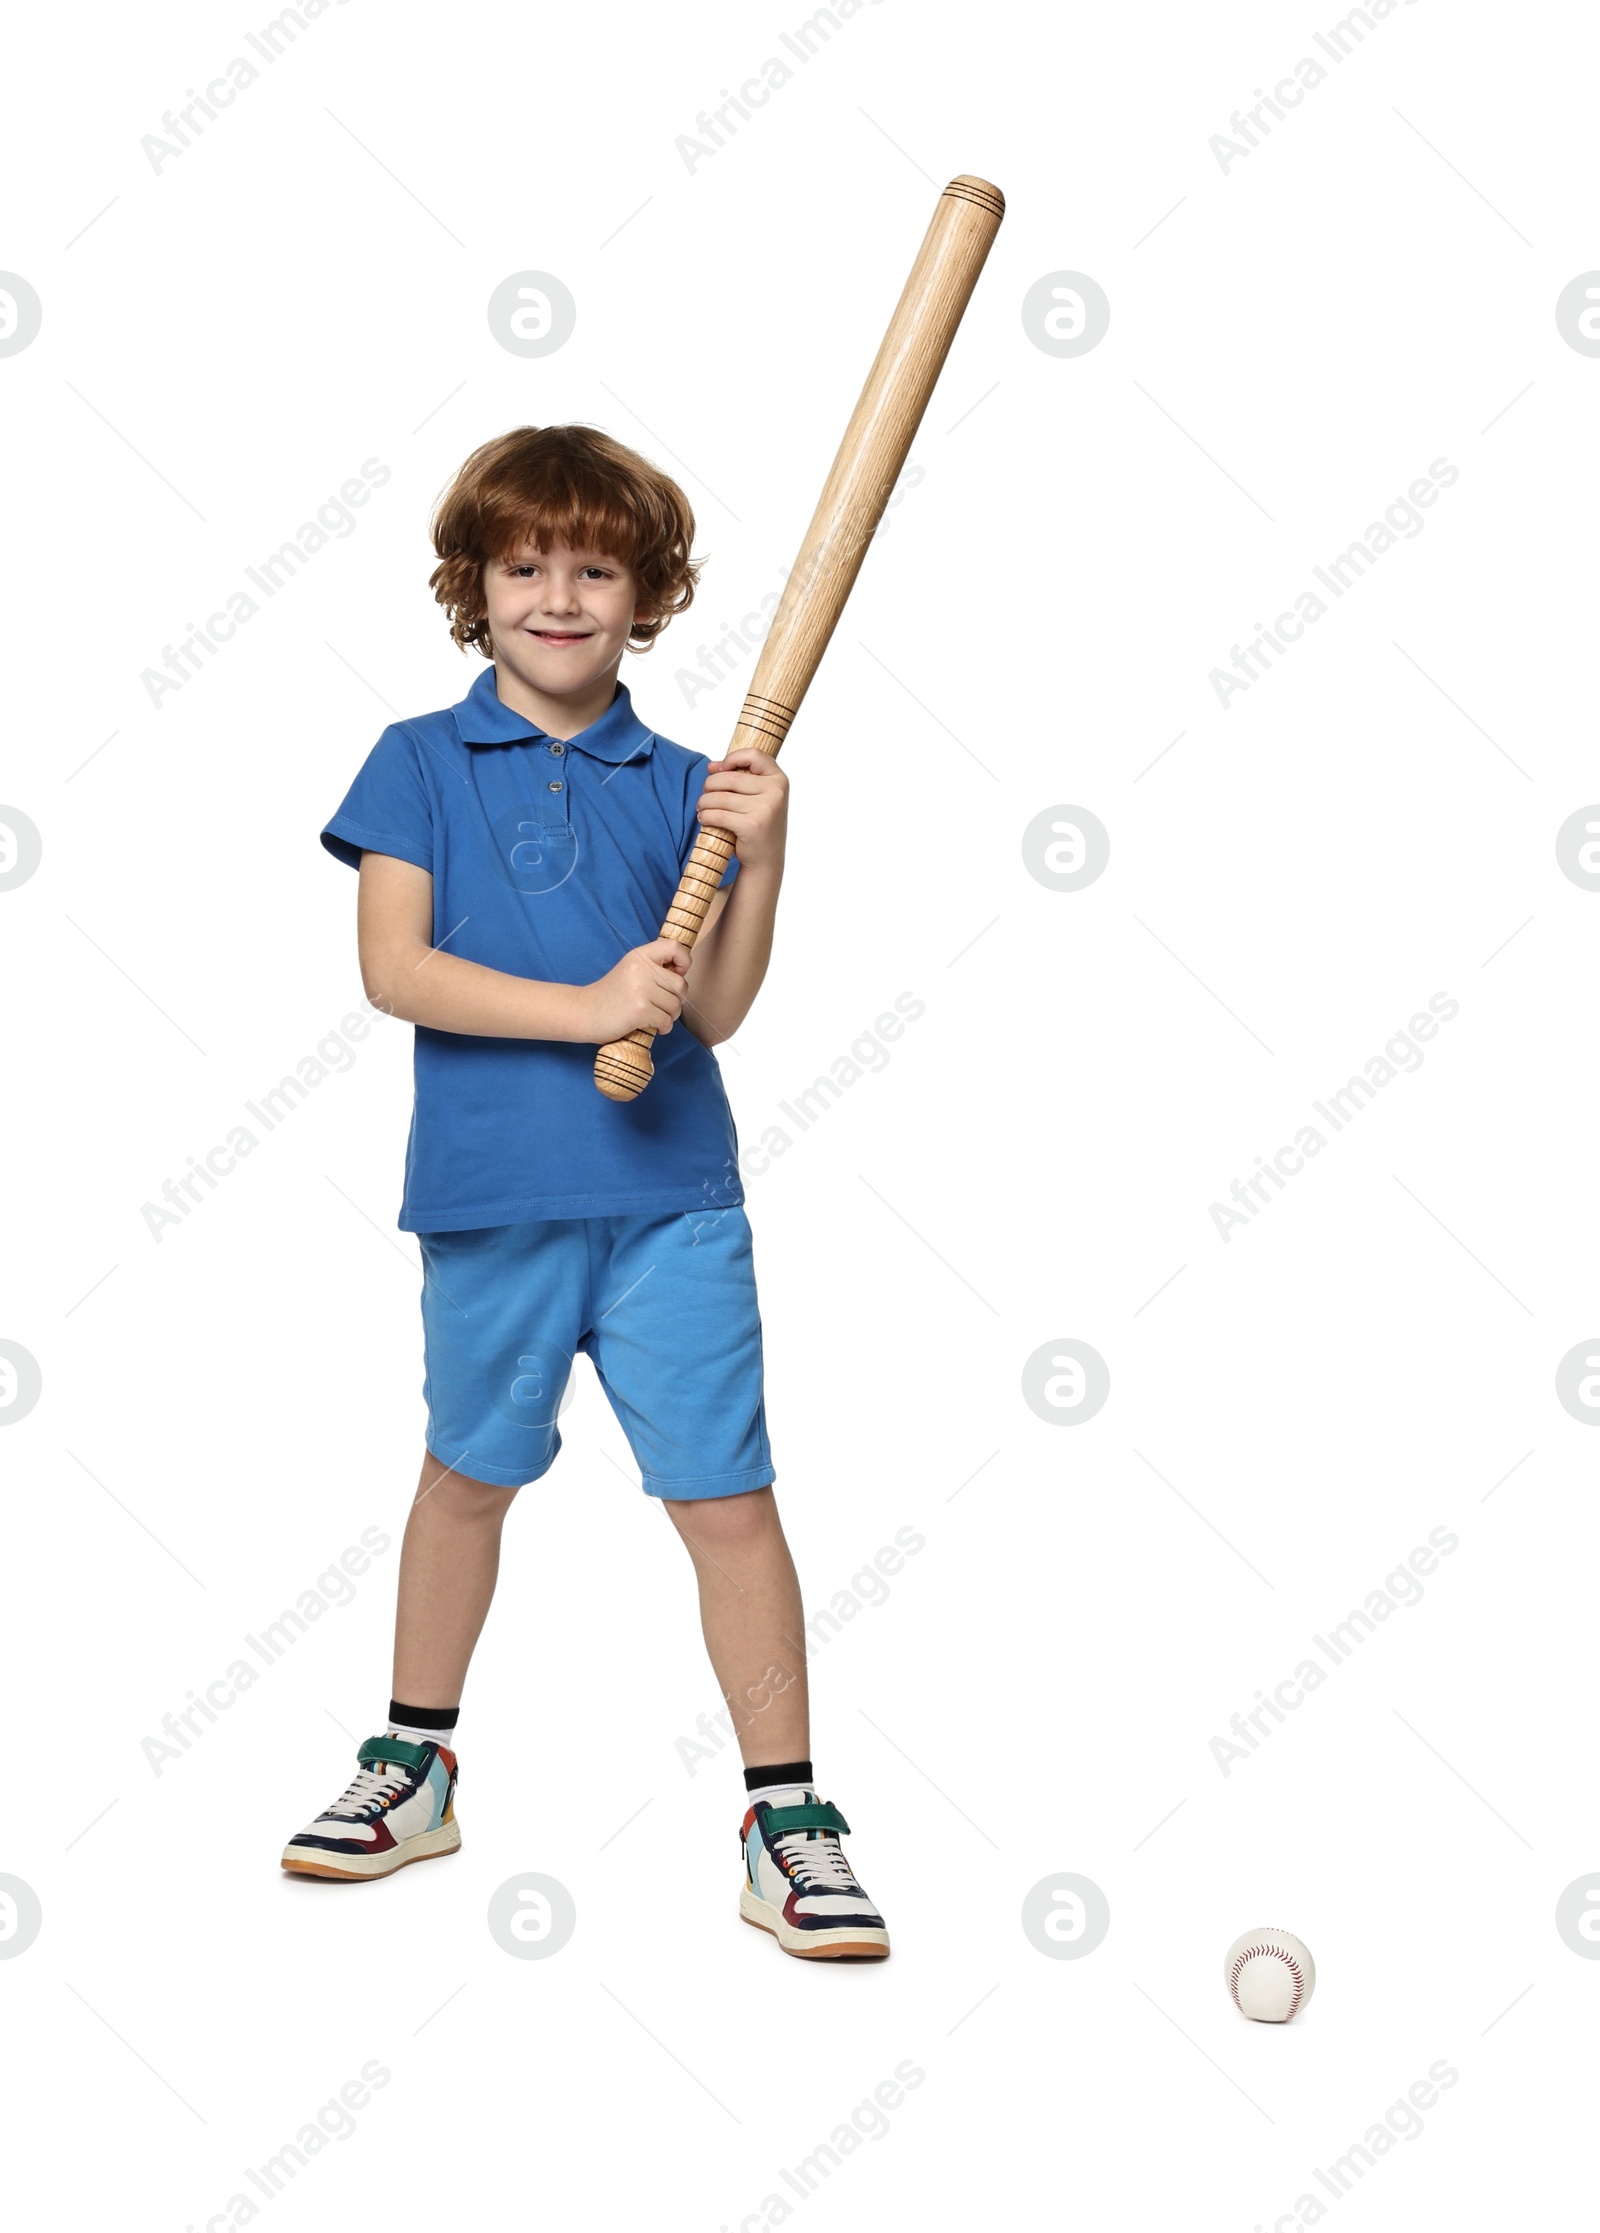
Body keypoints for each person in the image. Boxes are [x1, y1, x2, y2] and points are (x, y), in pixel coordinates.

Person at [279, 423, 889, 1960]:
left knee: (729, 1501)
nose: (560, 594)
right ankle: (414, 1762)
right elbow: (395, 968)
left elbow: (717, 1008)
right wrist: (590, 1007)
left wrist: (769, 853)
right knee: (467, 1476)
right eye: (525, 564)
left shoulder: (692, 781)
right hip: (497, 1197)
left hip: (674, 1196)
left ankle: (787, 1817)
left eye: (597, 567)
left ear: (649, 595)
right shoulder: (417, 759)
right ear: (473, 588)